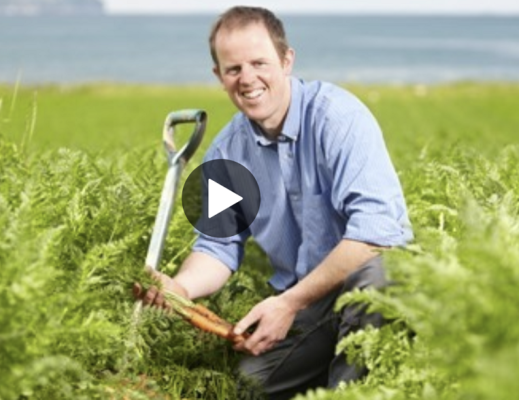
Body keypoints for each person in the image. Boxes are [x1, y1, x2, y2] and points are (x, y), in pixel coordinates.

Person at [134, 6, 413, 399]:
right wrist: (179, 288)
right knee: (249, 385)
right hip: (308, 306)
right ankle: (338, 375)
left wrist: (285, 303)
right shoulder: (226, 154)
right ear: (219, 76)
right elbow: (217, 248)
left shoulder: (339, 118)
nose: (247, 79)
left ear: (286, 60)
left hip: (366, 284)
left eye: (259, 63)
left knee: (379, 279)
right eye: (233, 69)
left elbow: (374, 237)